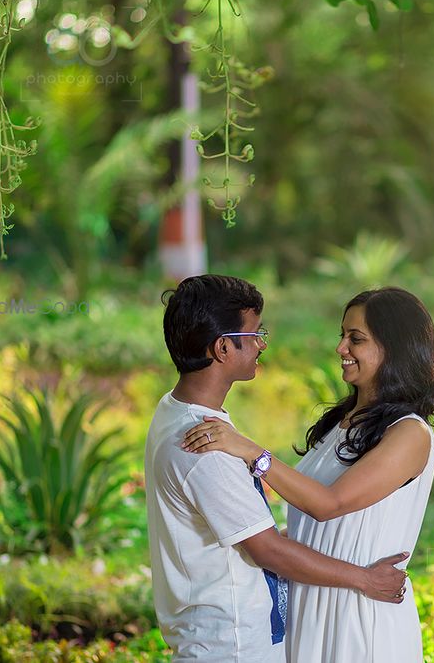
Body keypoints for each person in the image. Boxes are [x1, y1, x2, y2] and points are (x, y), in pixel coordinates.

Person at [145, 275, 409, 663]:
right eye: (255, 334)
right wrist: (365, 579)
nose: (262, 344)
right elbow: (268, 550)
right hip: (232, 645)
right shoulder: (205, 446)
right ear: (222, 347)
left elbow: (248, 529)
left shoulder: (174, 411)